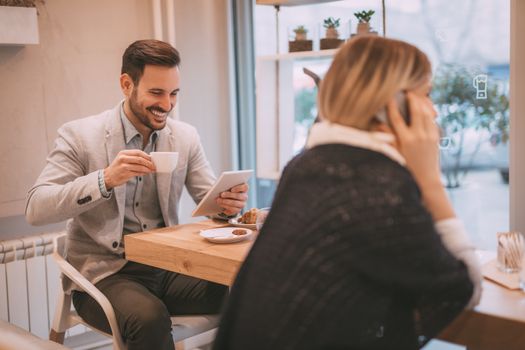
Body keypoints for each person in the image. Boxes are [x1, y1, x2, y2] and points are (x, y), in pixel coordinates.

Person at [213, 36, 482, 350]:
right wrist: (428, 179)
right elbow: (461, 288)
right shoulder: (378, 186)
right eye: (427, 95)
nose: (434, 112)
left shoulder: (306, 165)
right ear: (394, 107)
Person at [25, 39, 248, 350]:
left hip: (168, 267)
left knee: (252, 291)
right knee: (149, 319)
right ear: (126, 84)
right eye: (156, 93)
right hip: (103, 275)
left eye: (174, 94)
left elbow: (208, 200)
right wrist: (104, 180)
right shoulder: (79, 135)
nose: (168, 105)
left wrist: (226, 204)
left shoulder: (184, 137)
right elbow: (36, 208)